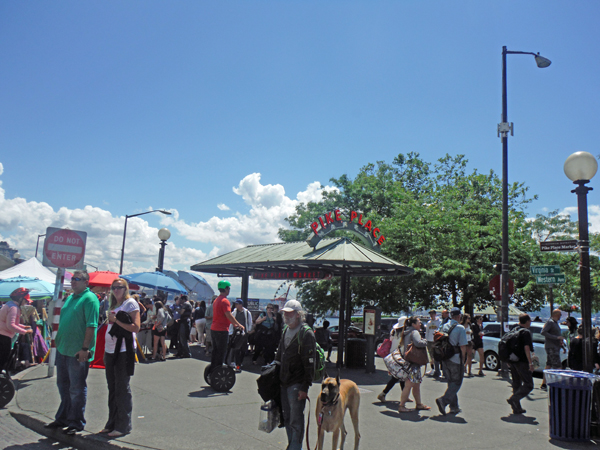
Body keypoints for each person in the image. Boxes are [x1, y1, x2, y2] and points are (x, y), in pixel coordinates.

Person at [45, 270, 99, 435]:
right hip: (64, 349)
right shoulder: (70, 298)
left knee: (76, 387)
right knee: (63, 385)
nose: (74, 281)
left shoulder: (90, 299)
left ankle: (76, 422)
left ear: (86, 282)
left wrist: (85, 348)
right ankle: (63, 418)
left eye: (78, 279)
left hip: (77, 352)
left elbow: (91, 325)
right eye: (72, 279)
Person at [100, 278, 140, 437]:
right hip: (110, 351)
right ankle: (112, 423)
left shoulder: (130, 304)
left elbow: (135, 328)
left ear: (126, 289)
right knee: (112, 388)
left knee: (122, 388)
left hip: (123, 351)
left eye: (120, 287)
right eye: (114, 287)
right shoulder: (113, 305)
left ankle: (123, 425)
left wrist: (115, 320)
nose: (116, 290)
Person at [274, 300, 316, 450]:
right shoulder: (286, 329)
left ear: (298, 315)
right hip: (283, 382)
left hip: (297, 384)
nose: (286, 315)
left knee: (296, 420)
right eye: (285, 312)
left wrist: (305, 387)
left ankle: (295, 447)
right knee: (286, 418)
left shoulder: (306, 334)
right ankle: (292, 445)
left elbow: (310, 365)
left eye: (289, 312)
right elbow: (279, 355)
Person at [435, 307, 467, 416]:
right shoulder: (460, 328)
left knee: (451, 382)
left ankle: (454, 407)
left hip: (444, 357)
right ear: (459, 316)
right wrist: (463, 359)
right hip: (455, 357)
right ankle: (443, 400)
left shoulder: (444, 326)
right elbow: (463, 346)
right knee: (457, 382)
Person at [397, 316, 431, 413]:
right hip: (414, 362)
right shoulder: (415, 332)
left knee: (416, 384)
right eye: (418, 322)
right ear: (413, 324)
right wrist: (425, 341)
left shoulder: (407, 332)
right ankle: (402, 405)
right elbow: (418, 343)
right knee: (409, 384)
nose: (420, 324)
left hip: (408, 361)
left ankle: (419, 404)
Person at [210, 281, 244, 370]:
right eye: (229, 288)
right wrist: (238, 325)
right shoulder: (225, 301)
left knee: (215, 352)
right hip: (222, 330)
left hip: (214, 328)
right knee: (221, 352)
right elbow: (228, 315)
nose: (229, 290)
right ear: (226, 289)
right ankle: (218, 370)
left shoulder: (216, 300)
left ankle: (213, 368)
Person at [506, 314, 534, 414]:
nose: (530, 322)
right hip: (522, 361)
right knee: (529, 384)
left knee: (516, 383)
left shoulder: (514, 329)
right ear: (526, 321)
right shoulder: (525, 332)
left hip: (512, 360)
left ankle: (516, 408)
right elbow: (527, 348)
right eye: (530, 320)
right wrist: (530, 363)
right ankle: (514, 398)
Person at [0, 288, 33, 372]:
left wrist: (23, 327)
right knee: (3, 362)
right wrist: (24, 332)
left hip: (2, 335)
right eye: (26, 301)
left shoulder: (9, 304)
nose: (26, 303)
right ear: (20, 298)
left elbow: (13, 323)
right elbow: (10, 326)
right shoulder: (14, 308)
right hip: (3, 337)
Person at [377, 316, 408, 402]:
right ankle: (383, 393)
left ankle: (404, 395)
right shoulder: (404, 333)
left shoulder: (393, 332)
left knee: (400, 376)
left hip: (392, 355)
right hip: (400, 356)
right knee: (398, 377)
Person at [540, 309, 565, 391]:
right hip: (551, 347)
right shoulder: (550, 322)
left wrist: (562, 346)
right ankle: (558, 384)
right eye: (560, 314)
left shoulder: (555, 323)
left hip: (555, 346)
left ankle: (544, 383)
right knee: (558, 366)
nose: (560, 316)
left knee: (549, 365)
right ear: (556, 314)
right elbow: (543, 332)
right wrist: (556, 337)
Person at [229, 299, 252, 372]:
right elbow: (231, 322)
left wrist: (248, 330)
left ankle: (239, 362)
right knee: (236, 349)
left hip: (244, 333)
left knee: (243, 349)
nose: (236, 306)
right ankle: (237, 364)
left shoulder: (247, 312)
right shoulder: (234, 312)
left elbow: (249, 322)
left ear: (241, 305)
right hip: (236, 333)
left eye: (238, 304)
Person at [425, 310, 441, 377]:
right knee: (431, 355)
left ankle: (438, 369)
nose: (431, 315)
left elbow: (440, 329)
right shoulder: (429, 322)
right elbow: (427, 331)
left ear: (435, 314)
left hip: (436, 340)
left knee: (437, 355)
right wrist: (426, 340)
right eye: (430, 314)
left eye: (432, 314)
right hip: (429, 340)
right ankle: (432, 368)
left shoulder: (439, 321)